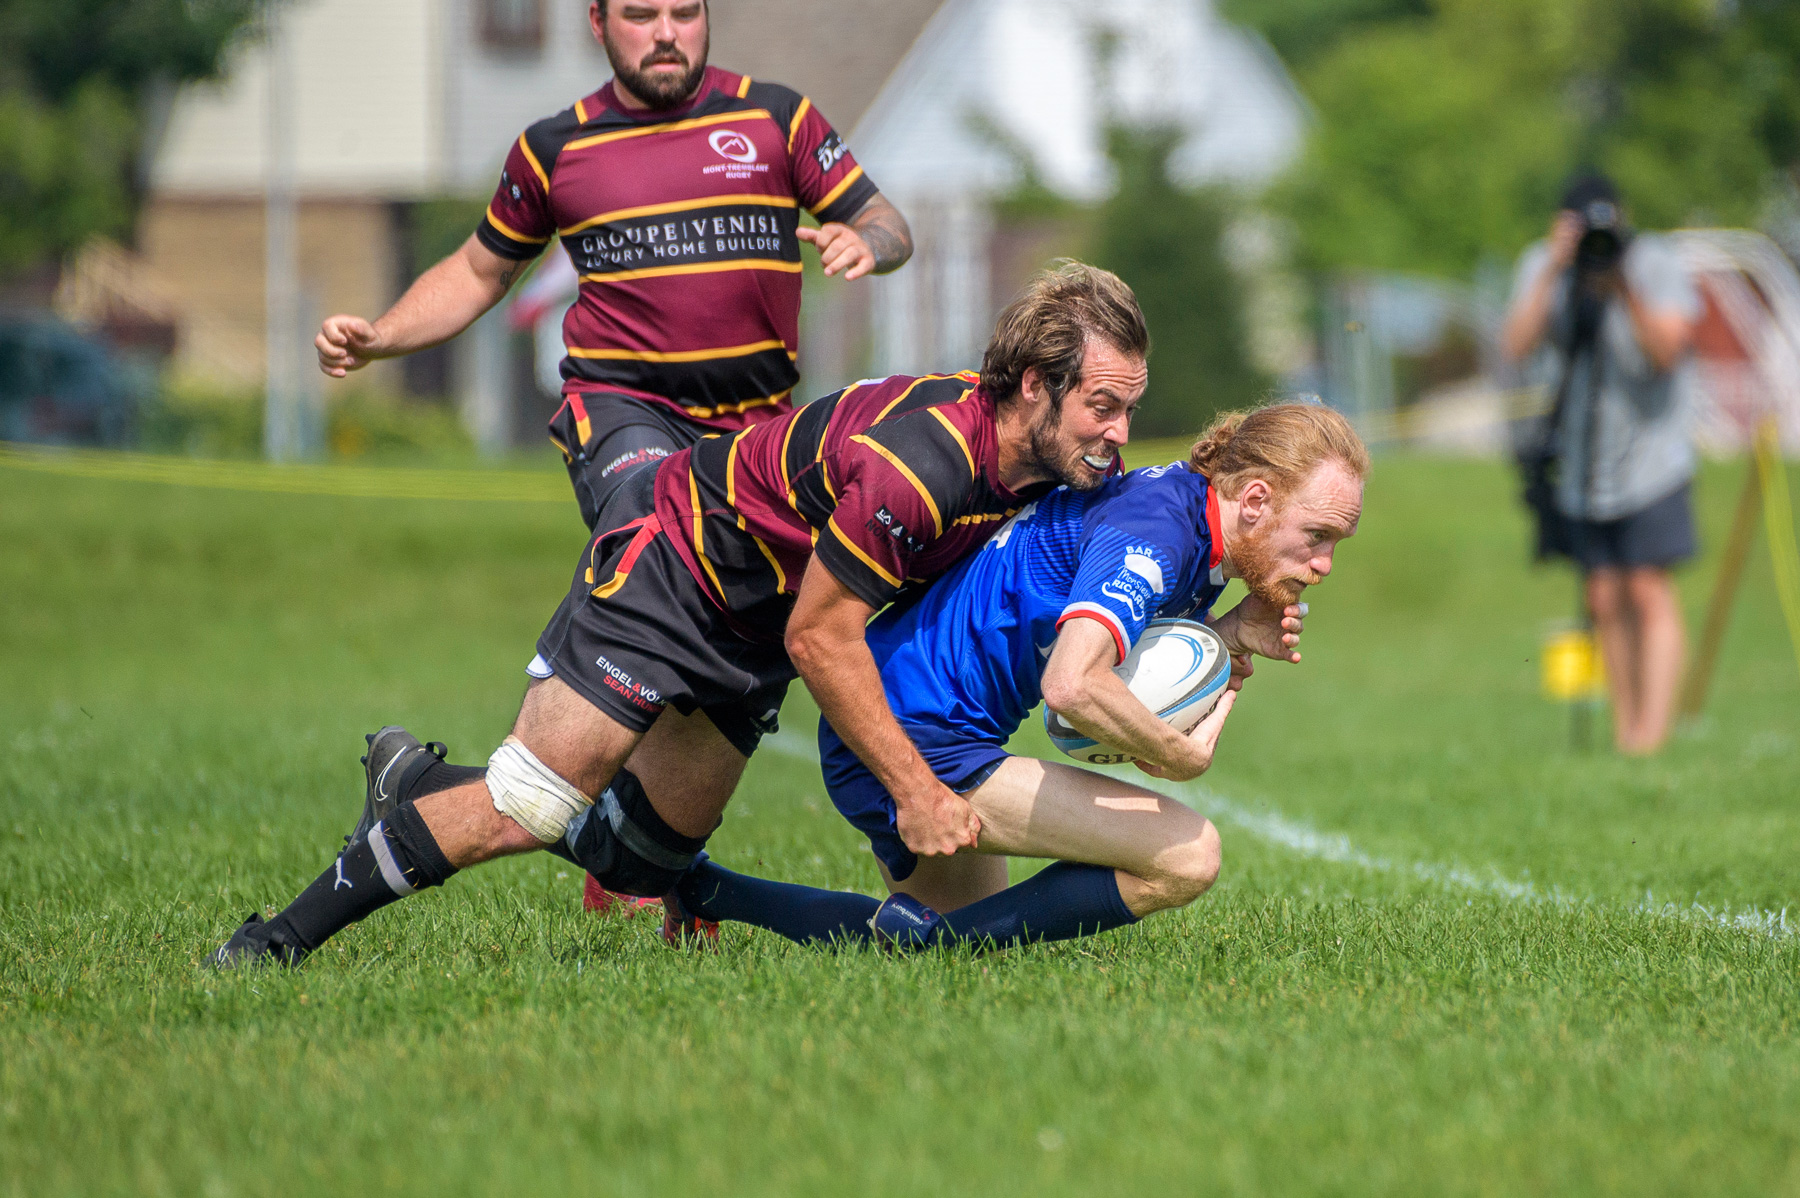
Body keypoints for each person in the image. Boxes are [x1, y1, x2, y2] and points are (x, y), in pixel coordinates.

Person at [210, 263, 1151, 967]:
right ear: (1035, 384)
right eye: (1102, 407)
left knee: (638, 860)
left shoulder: (1031, 470)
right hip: (677, 575)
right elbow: (821, 637)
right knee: (530, 806)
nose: (1116, 434)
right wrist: (914, 787)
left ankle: (414, 784)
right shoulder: (924, 466)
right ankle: (269, 946)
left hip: (755, 628)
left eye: (1127, 410)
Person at [662, 403, 1367, 950]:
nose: (1324, 563)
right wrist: (1173, 754)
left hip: (904, 712)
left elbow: (1125, 659)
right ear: (1254, 500)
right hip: (910, 733)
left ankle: (704, 888)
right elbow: (1072, 688)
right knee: (1188, 855)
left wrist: (1229, 637)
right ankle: (931, 941)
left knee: (945, 934)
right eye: (1318, 535)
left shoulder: (1185, 522)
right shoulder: (1159, 536)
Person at [314, 0, 913, 531]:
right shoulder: (553, 150)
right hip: (623, 409)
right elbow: (477, 273)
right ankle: (569, 658)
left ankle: (587, 661)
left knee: (753, 619)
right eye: (641, 16)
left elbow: (887, 224)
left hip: (758, 424)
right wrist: (382, 334)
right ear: (598, 22)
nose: (666, 33)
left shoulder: (776, 119)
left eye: (685, 14)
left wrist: (868, 243)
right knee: (653, 522)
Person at [1501, 173, 1700, 755]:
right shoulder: (1546, 264)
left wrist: (1623, 286)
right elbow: (1513, 347)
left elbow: (1668, 352)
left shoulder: (1652, 262)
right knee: (1604, 595)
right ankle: (1625, 729)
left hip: (1652, 455)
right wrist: (1553, 268)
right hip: (1586, 463)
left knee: (1647, 587)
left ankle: (1651, 737)